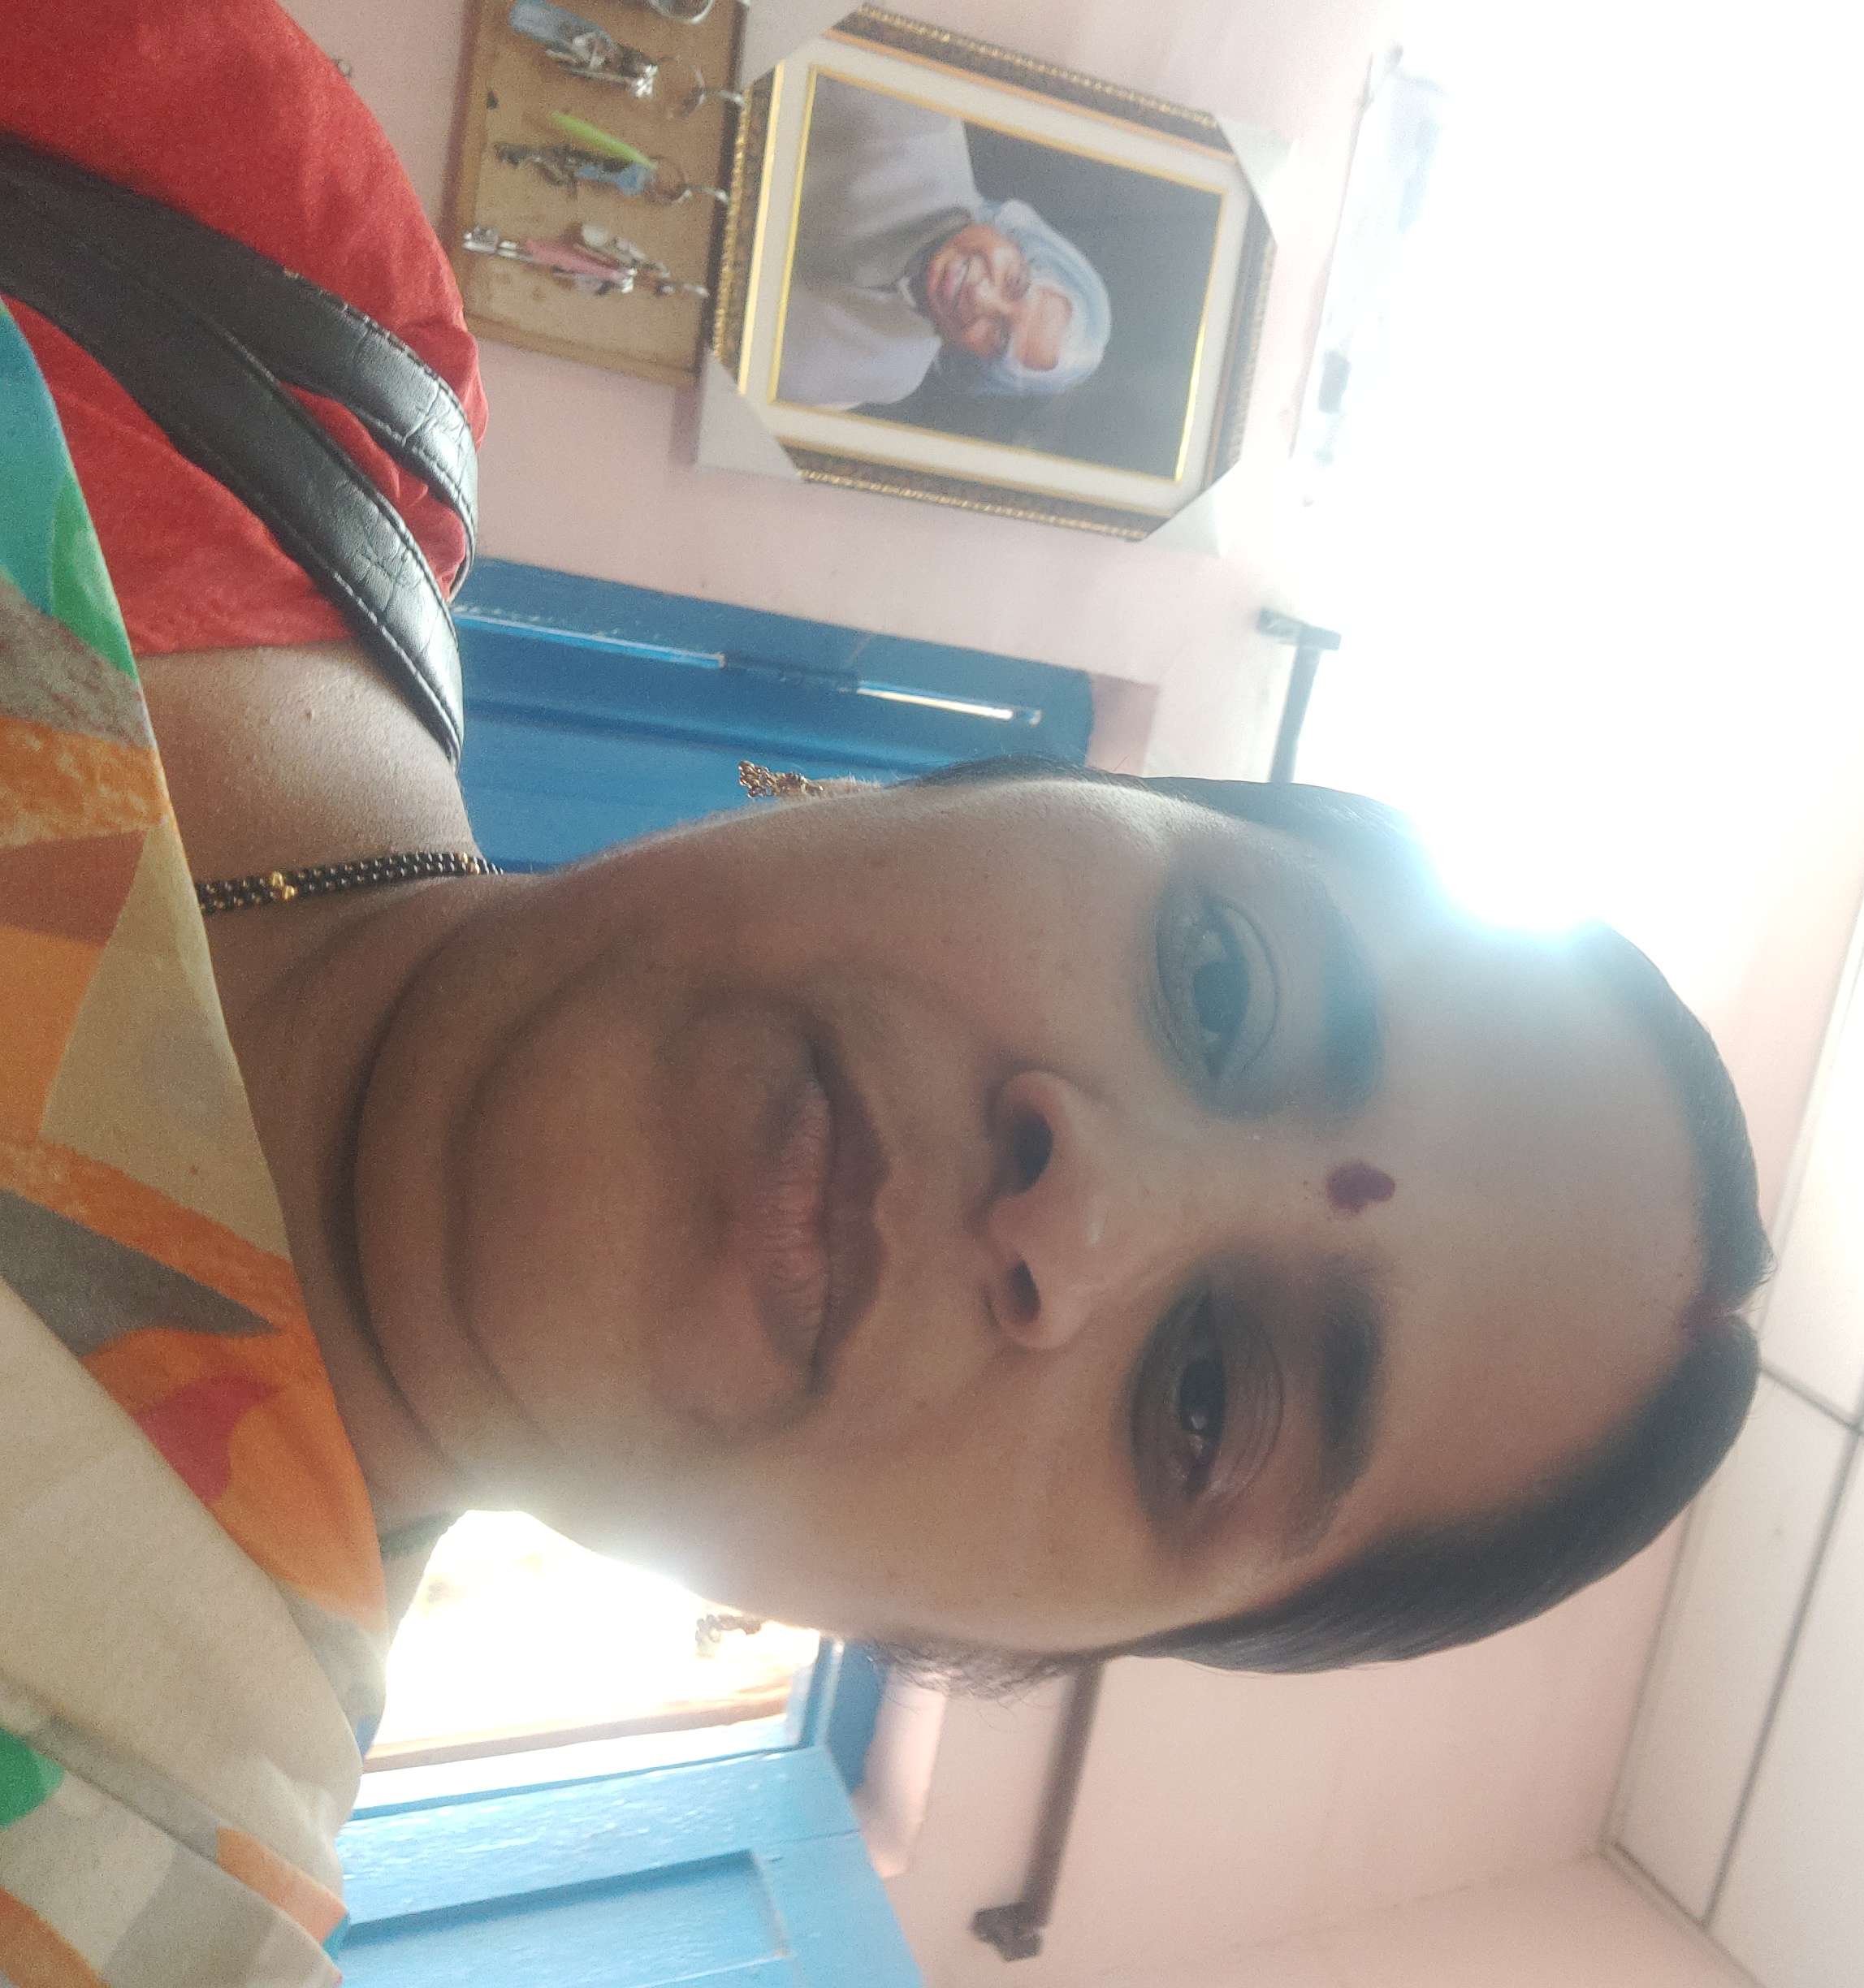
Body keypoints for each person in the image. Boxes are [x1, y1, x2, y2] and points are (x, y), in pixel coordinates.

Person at [1, 2, 1764, 1978]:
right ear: (1005, 787)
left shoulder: (122, 1909)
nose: (1082, 1210)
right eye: (1214, 981)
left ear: (977, 1649)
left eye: (1205, 1398)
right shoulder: (250, 289)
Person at [774, 80, 1113, 410]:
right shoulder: (921, 118)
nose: (980, 296)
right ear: (1016, 236)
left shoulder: (892, 376)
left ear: (982, 361)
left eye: (999, 336)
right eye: (1015, 282)